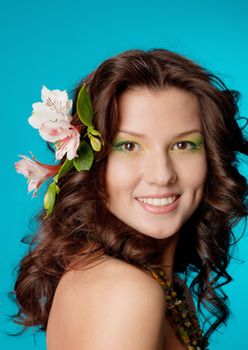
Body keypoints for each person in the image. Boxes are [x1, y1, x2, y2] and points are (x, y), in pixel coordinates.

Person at [12, 48, 248, 350]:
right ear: (94, 162)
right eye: (129, 146)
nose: (162, 175)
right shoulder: (128, 292)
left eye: (183, 144)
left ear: (211, 159)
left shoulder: (162, 288)